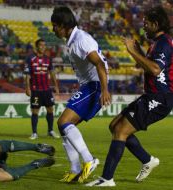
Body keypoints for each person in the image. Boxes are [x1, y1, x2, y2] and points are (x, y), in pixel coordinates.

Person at [86, 6, 173, 187]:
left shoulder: (164, 42)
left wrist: (132, 51)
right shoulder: (157, 43)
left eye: (146, 23)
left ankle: (107, 178)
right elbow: (150, 64)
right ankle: (147, 160)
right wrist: (138, 50)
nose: (144, 27)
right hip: (151, 96)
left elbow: (156, 69)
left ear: (156, 24)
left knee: (120, 131)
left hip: (159, 98)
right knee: (114, 126)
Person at [51, 7, 111, 183]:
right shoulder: (73, 40)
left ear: (63, 25)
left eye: (55, 25)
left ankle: (89, 160)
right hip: (90, 85)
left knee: (63, 122)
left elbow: (99, 64)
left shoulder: (80, 40)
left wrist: (105, 90)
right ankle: (75, 168)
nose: (52, 29)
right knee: (64, 129)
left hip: (95, 86)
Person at [24, 39, 60, 140]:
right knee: (35, 111)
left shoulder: (48, 59)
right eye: (41, 45)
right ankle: (34, 133)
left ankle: (50, 130)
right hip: (35, 90)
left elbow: (52, 73)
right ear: (36, 47)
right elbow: (27, 75)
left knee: (50, 109)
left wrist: (56, 86)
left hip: (47, 90)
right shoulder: (30, 58)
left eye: (44, 45)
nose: (43, 47)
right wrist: (27, 87)